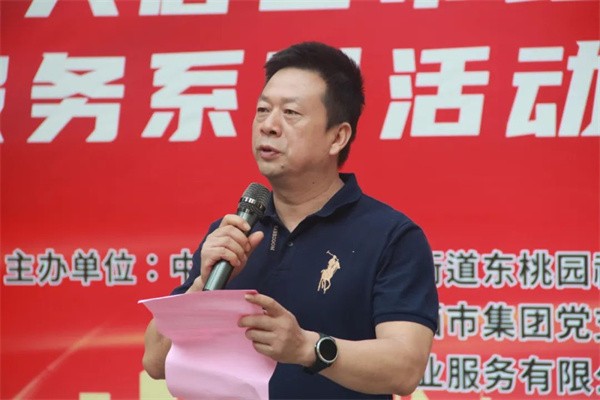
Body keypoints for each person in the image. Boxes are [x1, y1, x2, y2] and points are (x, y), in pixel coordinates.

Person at [143, 41, 439, 399]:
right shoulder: (233, 233)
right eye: (262, 110)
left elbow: (405, 367)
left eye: (291, 113)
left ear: (337, 137)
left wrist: (306, 348)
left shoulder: (390, 236)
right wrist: (201, 286)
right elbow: (155, 361)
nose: (268, 125)